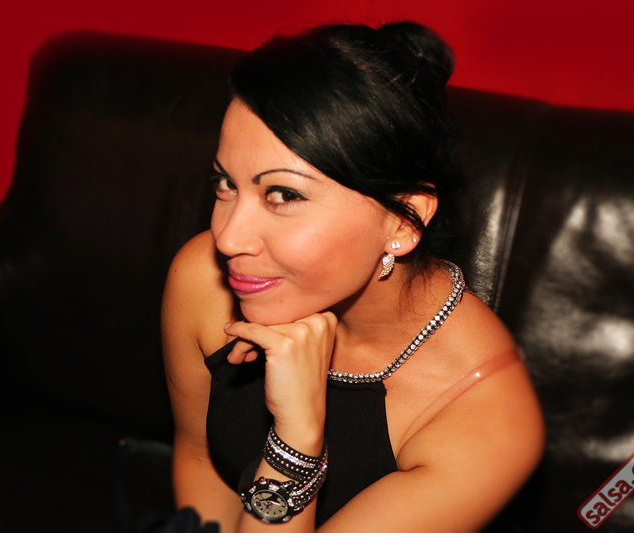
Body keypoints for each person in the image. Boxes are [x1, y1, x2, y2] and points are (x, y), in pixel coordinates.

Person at [162, 21, 544, 532]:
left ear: (402, 222)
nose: (228, 238)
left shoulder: (487, 421)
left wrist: (296, 442)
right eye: (226, 183)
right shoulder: (204, 279)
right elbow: (199, 462)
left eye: (283, 195)